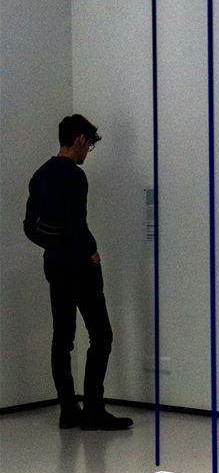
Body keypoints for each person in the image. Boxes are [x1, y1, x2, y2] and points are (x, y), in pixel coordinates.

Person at [23, 114, 133, 431]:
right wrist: (90, 251)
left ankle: (69, 410)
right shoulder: (74, 175)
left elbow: (29, 227)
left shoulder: (40, 174)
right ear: (80, 140)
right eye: (89, 146)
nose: (87, 153)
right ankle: (94, 410)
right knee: (101, 335)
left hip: (55, 265)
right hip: (80, 267)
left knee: (62, 339)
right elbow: (76, 222)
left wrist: (54, 244)